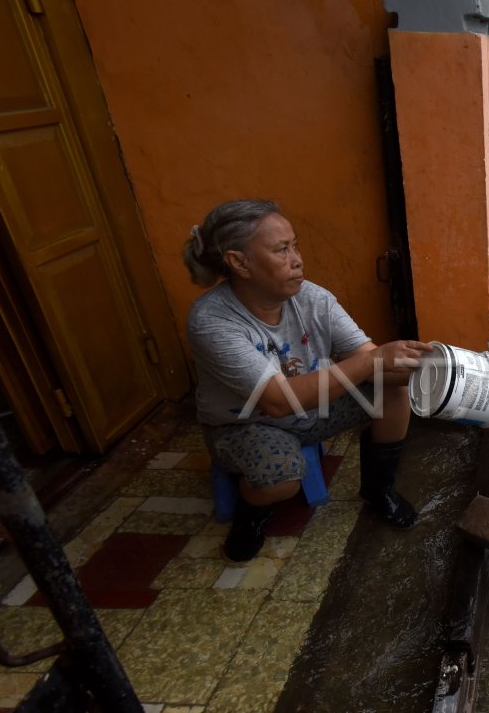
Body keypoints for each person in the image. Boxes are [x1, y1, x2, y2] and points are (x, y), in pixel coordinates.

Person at [183, 199, 433, 561]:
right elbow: (277, 401)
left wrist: (436, 367)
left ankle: (379, 489)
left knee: (392, 386)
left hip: (313, 409)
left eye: (295, 245)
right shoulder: (212, 320)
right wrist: (374, 362)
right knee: (281, 480)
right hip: (246, 423)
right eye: (281, 250)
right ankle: (251, 514)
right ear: (240, 262)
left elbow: (368, 356)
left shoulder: (313, 298)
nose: (297, 259)